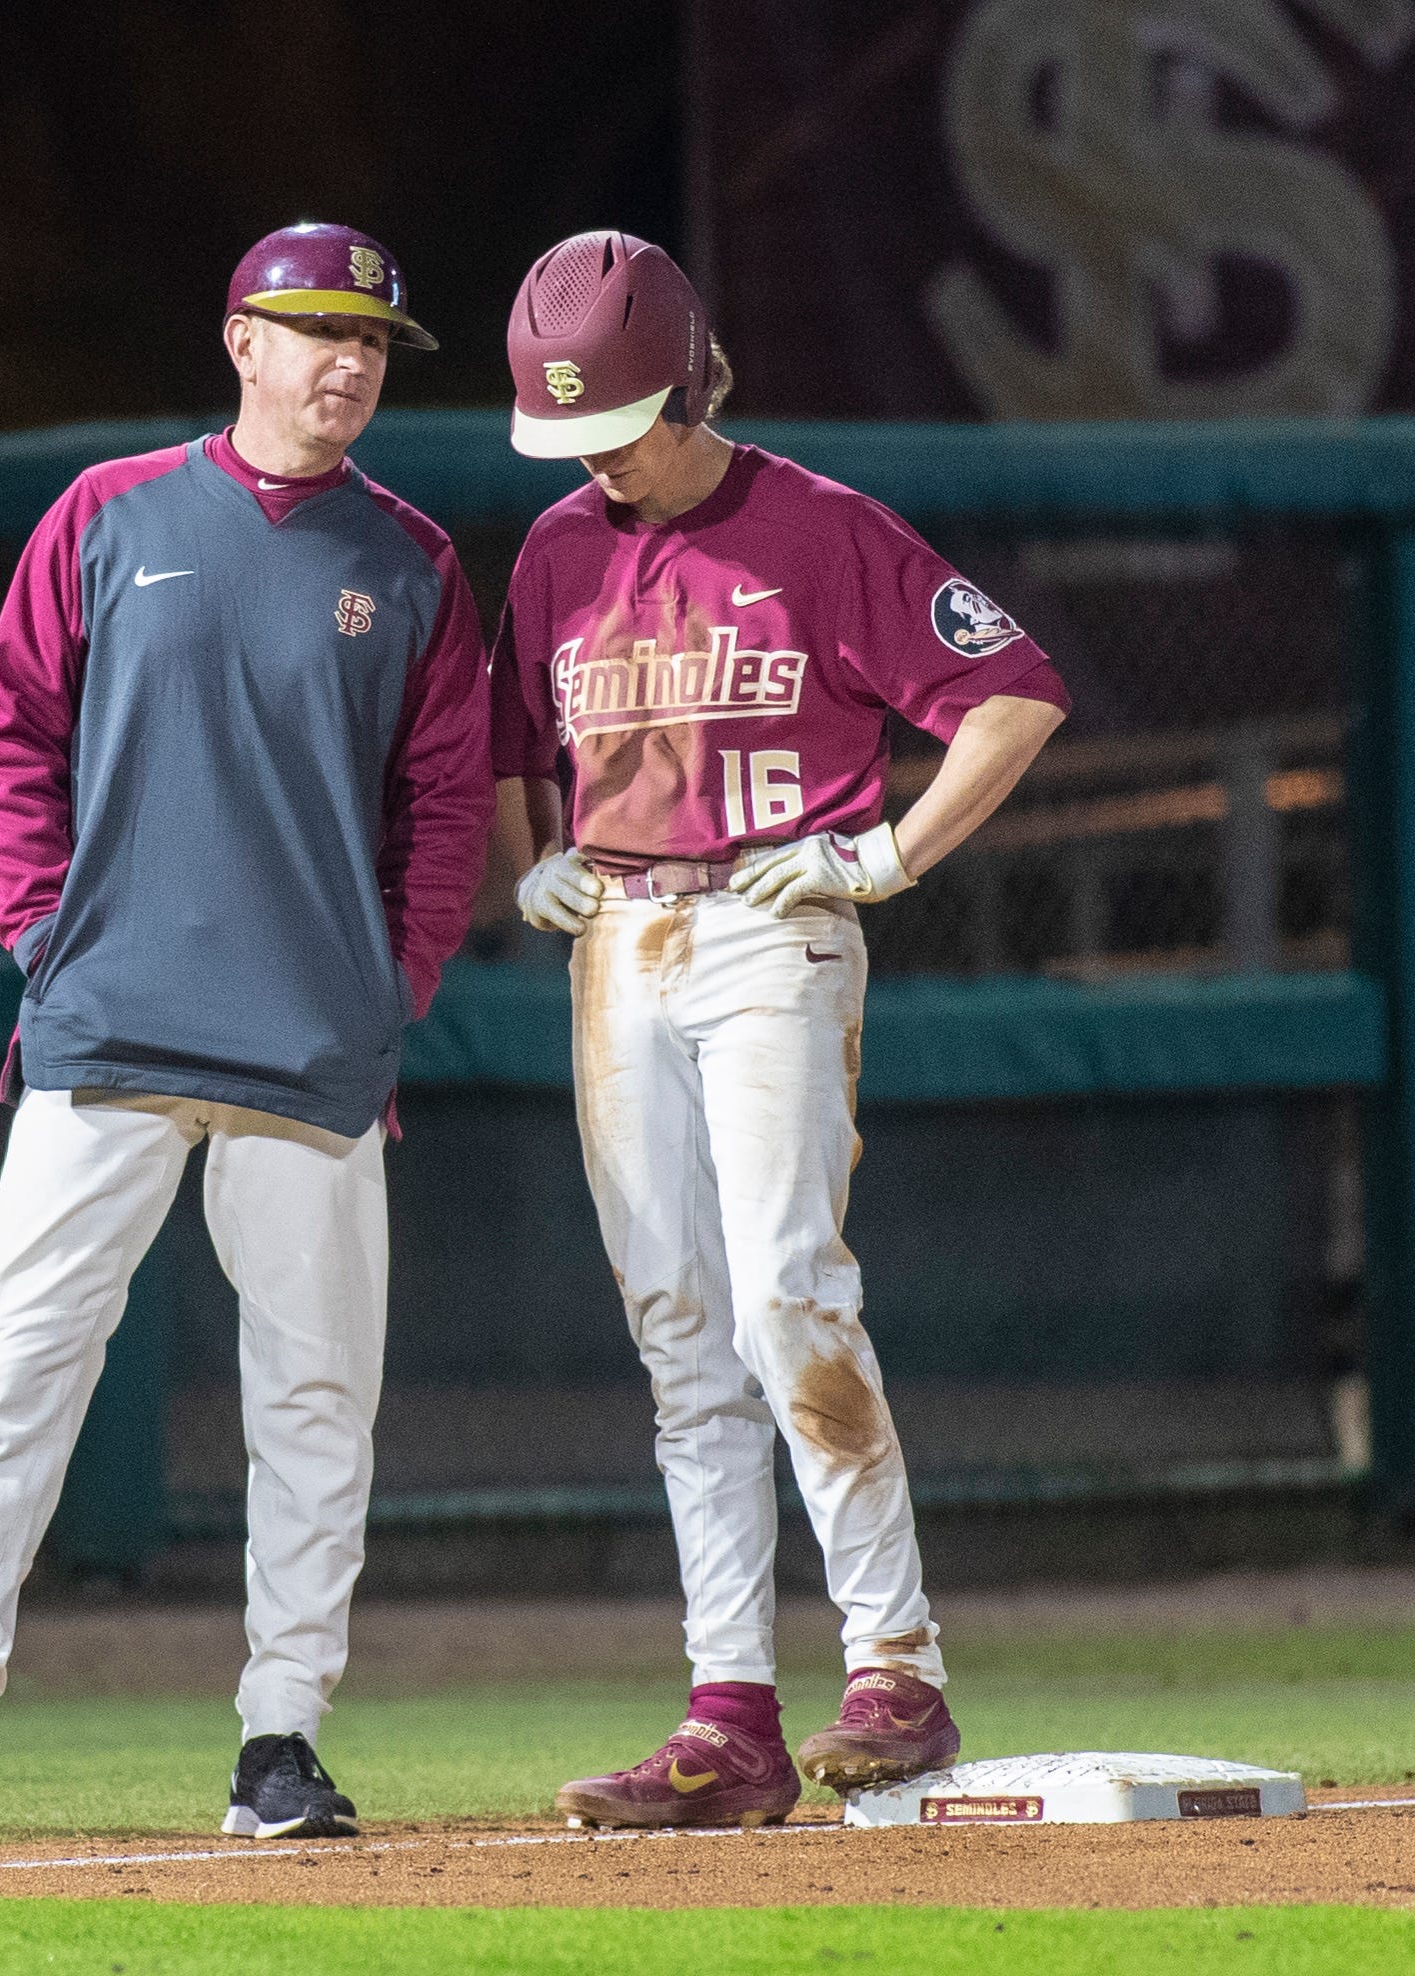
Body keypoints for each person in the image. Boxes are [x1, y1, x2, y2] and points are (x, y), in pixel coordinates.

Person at [0, 223, 492, 1839]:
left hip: (310, 1045)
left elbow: (446, 802)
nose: (348, 365)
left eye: (373, 344)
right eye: (317, 332)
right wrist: (45, 928)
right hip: (108, 1022)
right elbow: (9, 733)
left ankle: (279, 1737)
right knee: (17, 1370)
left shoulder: (412, 561)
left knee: (314, 1395)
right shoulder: (105, 513)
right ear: (238, 340)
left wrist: (390, 990)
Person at [490, 232, 1069, 1827]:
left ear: (689, 381)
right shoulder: (555, 547)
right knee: (680, 1327)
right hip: (620, 936)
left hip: (768, 926)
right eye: (570, 433)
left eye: (617, 421)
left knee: (784, 1295)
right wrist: (528, 858)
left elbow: (1011, 692)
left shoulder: (817, 526)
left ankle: (897, 1666)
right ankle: (728, 1710)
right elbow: (511, 744)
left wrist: (885, 857)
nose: (597, 456)